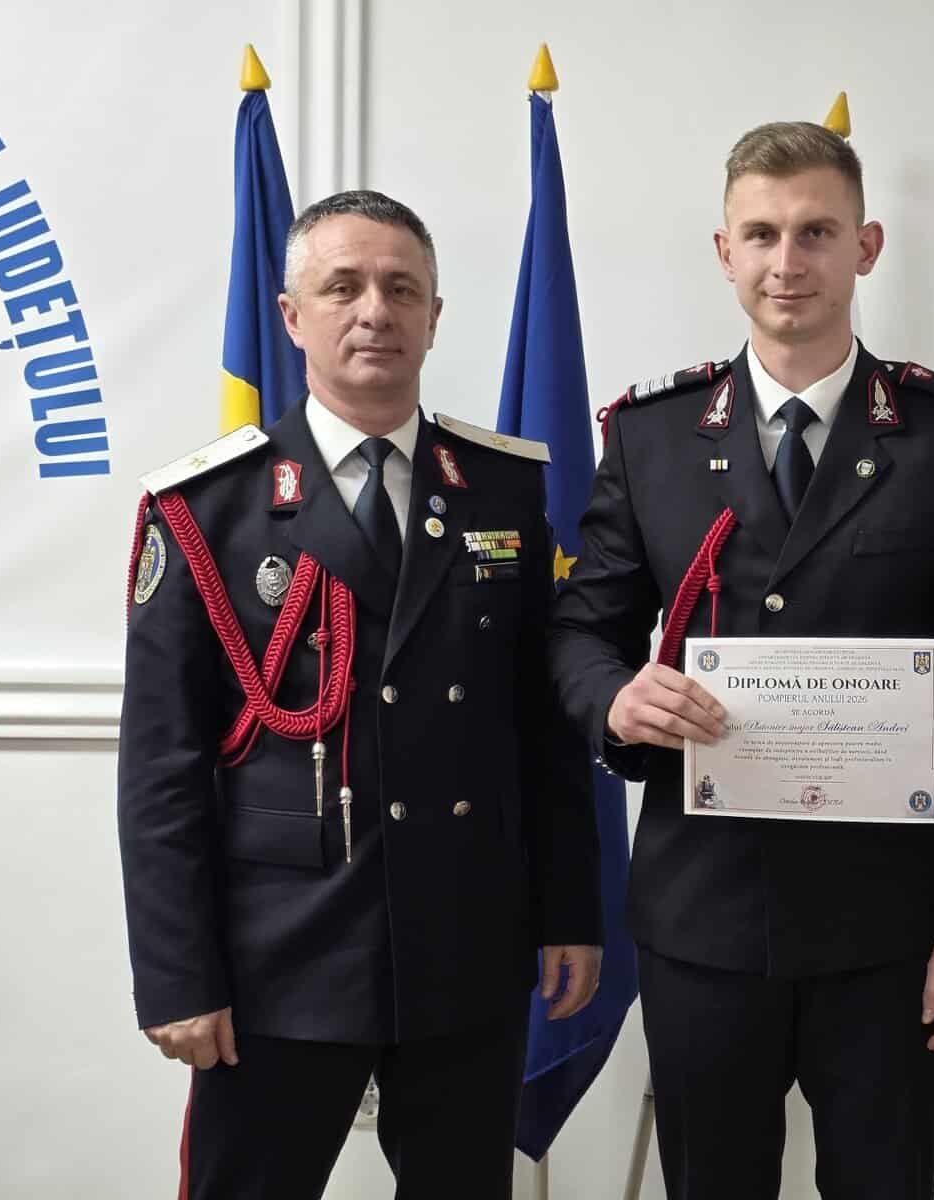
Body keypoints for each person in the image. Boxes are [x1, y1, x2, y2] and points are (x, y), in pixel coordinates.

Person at [549, 122, 934, 1198]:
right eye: (760, 234)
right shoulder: (652, 436)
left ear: (867, 246)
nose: (786, 260)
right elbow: (580, 630)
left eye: (816, 231)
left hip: (889, 927)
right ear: (724, 251)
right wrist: (616, 699)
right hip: (703, 916)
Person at [117, 189, 602, 1200]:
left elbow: (542, 731)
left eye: (400, 289)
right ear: (292, 316)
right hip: (278, 959)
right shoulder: (208, 506)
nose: (374, 311)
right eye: (342, 287)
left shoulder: (504, 491)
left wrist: (570, 910)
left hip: (465, 945)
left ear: (434, 316)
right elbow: (161, 768)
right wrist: (177, 975)